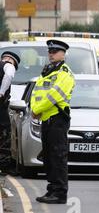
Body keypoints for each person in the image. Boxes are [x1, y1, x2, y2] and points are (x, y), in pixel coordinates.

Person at [31, 40, 75, 204]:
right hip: (46, 119)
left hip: (57, 118)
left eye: (55, 51)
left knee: (58, 156)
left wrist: (37, 109)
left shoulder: (65, 73)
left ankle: (60, 193)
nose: (51, 53)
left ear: (63, 54)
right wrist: (35, 109)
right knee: (49, 157)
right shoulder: (47, 71)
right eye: (50, 51)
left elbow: (54, 96)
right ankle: (52, 190)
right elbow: (37, 93)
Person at [0, 51, 21, 173]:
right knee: (5, 133)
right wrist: (1, 92)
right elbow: (8, 76)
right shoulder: (9, 66)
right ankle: (4, 166)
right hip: (1, 108)